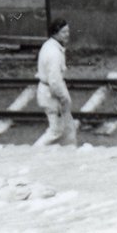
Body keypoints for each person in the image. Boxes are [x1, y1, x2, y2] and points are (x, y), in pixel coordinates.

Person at [34, 18, 79, 147]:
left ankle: (70, 153)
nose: (67, 34)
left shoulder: (50, 46)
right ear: (55, 33)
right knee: (56, 131)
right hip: (52, 96)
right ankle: (32, 153)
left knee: (68, 129)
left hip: (49, 92)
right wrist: (63, 97)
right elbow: (54, 81)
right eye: (64, 32)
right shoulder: (54, 52)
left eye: (68, 31)